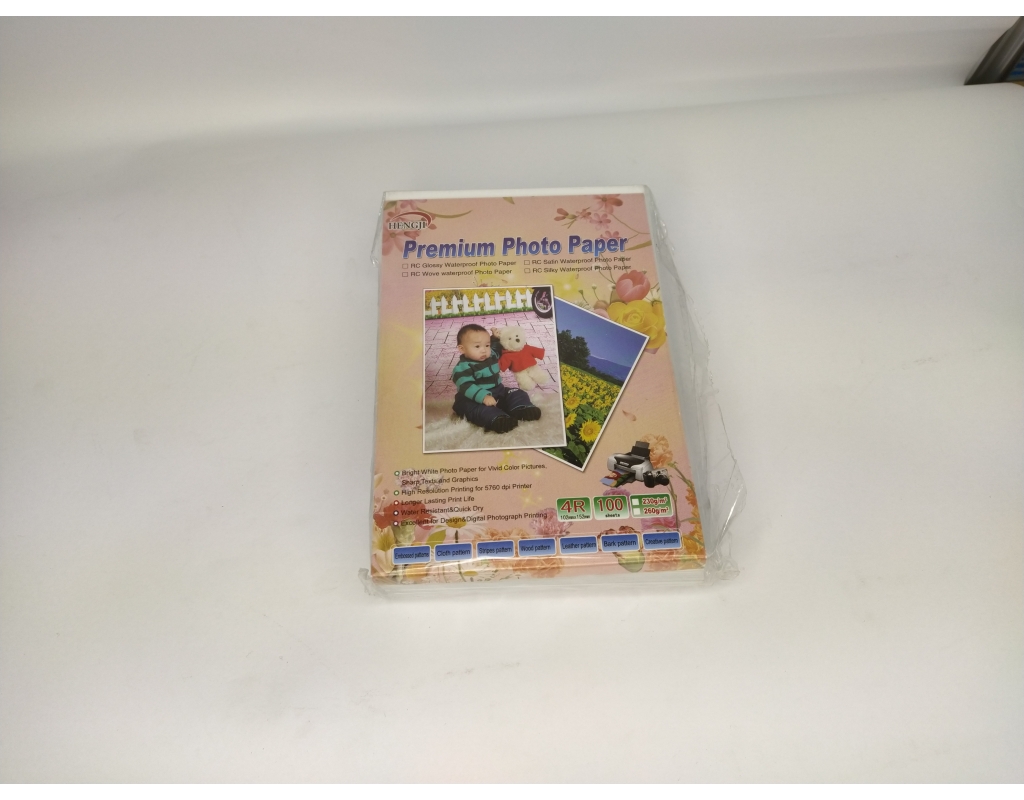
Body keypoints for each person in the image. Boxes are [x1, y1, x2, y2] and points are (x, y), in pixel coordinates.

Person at [451, 324, 541, 433]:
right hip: (473, 398)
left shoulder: (491, 355)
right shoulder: (462, 368)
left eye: (487, 345)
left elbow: (496, 348)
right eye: (477, 346)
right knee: (478, 410)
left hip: (498, 391)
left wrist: (495, 338)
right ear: (462, 349)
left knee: (516, 392)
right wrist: (483, 397)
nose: (484, 350)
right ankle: (497, 419)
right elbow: (465, 386)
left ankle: (520, 408)